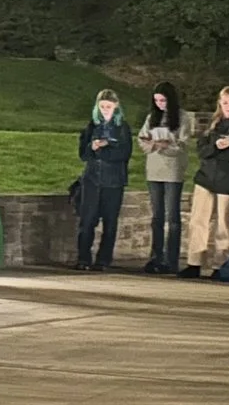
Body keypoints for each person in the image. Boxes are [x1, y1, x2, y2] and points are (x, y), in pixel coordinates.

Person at [184, 87, 229, 278]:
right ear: (220, 103)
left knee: (224, 224)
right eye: (225, 103)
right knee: (198, 221)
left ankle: (219, 265)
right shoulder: (213, 125)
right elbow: (201, 151)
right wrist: (216, 146)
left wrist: (226, 148)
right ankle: (194, 263)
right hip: (206, 178)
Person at [76, 89, 131, 270]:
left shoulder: (122, 128)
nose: (105, 109)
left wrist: (105, 148)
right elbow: (83, 154)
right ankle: (83, 258)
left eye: (109, 106)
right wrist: (92, 147)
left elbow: (124, 153)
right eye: (102, 106)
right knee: (87, 220)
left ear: (116, 107)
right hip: (92, 179)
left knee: (110, 221)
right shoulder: (91, 126)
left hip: (113, 181)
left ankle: (103, 260)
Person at [138, 84, 187, 275]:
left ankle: (171, 259)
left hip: (173, 170)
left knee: (172, 216)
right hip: (154, 169)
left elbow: (182, 145)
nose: (160, 105)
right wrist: (151, 144)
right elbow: (142, 139)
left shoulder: (182, 117)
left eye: (163, 100)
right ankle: (155, 256)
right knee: (157, 216)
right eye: (157, 101)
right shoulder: (152, 117)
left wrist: (166, 145)